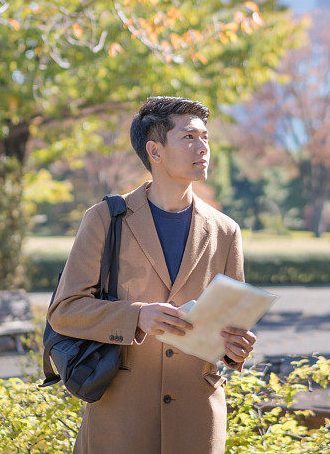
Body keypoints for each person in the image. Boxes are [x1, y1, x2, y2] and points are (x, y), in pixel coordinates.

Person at [47, 96, 257, 453]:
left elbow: (229, 329)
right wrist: (137, 317)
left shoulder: (226, 231)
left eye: (205, 136)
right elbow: (64, 311)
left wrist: (236, 349)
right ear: (154, 152)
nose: (203, 147)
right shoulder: (105, 219)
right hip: (120, 418)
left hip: (197, 421)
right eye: (189, 137)